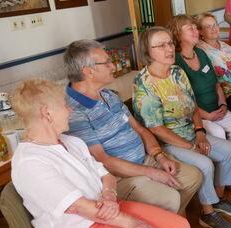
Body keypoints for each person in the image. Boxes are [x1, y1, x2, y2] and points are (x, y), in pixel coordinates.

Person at [10, 79, 190, 228]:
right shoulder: (30, 162)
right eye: (64, 105)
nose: (70, 110)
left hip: (104, 210)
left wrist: (109, 196)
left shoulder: (71, 142)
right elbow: (78, 207)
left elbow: (106, 175)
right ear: (47, 113)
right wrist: (128, 222)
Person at [64, 40, 202, 215]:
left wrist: (159, 156)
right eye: (106, 63)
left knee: (193, 177)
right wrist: (151, 172)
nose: (113, 66)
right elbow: (102, 160)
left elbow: (140, 129)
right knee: (169, 198)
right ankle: (164, 224)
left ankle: (168, 222)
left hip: (144, 160)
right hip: (119, 178)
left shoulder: (107, 95)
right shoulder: (74, 111)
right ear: (88, 71)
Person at [133, 26, 231, 228]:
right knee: (204, 163)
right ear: (148, 52)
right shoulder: (144, 85)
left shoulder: (177, 72)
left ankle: (217, 199)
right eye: (161, 45)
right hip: (166, 142)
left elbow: (192, 105)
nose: (169, 49)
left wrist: (200, 132)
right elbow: (156, 128)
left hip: (191, 133)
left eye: (170, 43)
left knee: (228, 150)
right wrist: (191, 146)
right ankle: (207, 212)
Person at [169, 15, 231, 193]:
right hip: (198, 116)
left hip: (216, 108)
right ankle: (222, 180)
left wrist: (223, 104)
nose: (196, 31)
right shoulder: (176, 61)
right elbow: (183, 99)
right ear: (177, 34)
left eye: (195, 27)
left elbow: (215, 83)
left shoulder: (201, 53)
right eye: (190, 28)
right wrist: (206, 115)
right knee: (219, 132)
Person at [197, 12, 231, 122]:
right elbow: (211, 79)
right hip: (228, 93)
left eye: (215, 25)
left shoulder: (226, 46)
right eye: (208, 27)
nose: (214, 29)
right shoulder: (200, 50)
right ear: (200, 31)